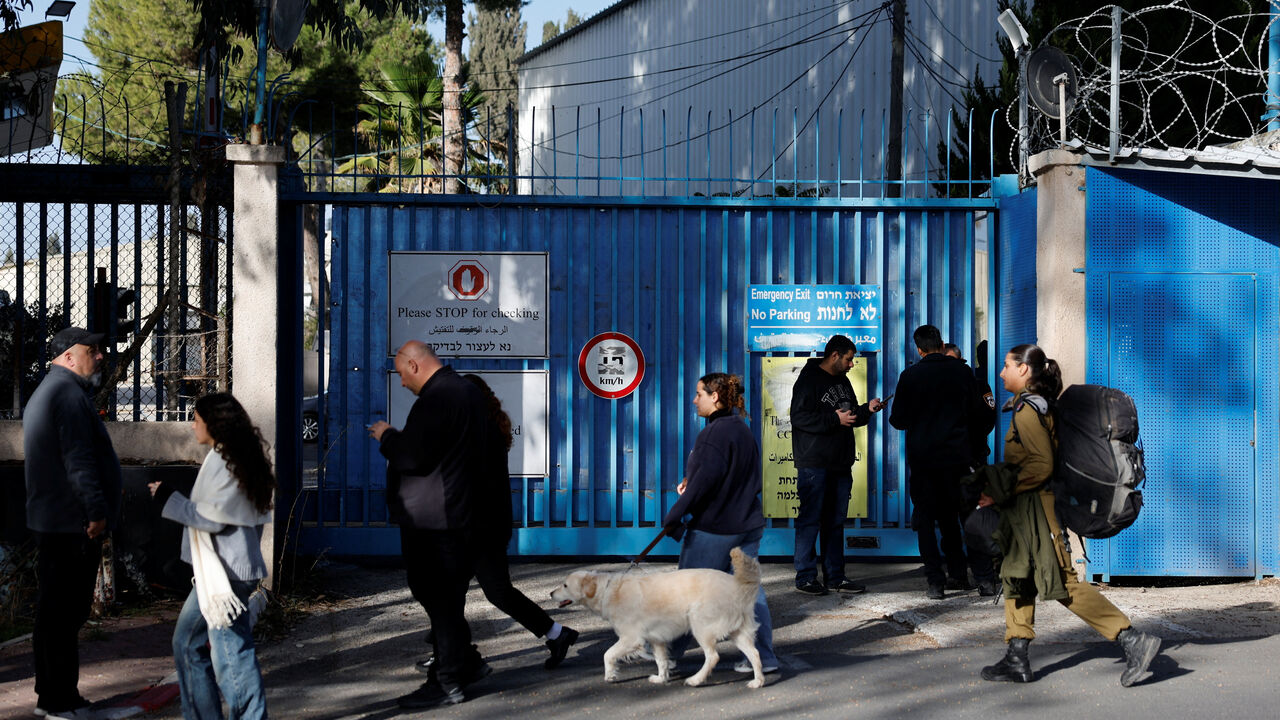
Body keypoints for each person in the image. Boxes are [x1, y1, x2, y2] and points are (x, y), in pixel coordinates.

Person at [980, 343, 1161, 686]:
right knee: (1017, 575)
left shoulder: (1029, 411)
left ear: (1024, 370)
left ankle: (1131, 638)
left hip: (1037, 510)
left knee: (1062, 583)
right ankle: (1016, 656)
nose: (1001, 372)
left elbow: (1041, 464)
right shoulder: (1031, 406)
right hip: (1025, 509)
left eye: (1006, 365)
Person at [412, 374, 577, 672]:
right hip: (477, 527)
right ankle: (447, 652)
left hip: (479, 530)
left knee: (493, 592)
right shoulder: (478, 429)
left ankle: (554, 634)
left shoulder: (477, 434)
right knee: (455, 592)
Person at [369, 341, 489, 709]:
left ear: (415, 365)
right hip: (457, 514)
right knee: (446, 600)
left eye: (402, 374)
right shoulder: (467, 392)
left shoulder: (438, 399)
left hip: (435, 521)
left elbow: (412, 456)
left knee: (440, 601)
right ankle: (464, 663)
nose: (402, 383)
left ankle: (447, 681)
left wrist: (386, 435)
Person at [23, 327, 121, 720]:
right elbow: (79, 462)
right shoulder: (66, 395)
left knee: (54, 613)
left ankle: (52, 694)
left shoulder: (53, 390)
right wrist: (96, 513)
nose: (99, 357)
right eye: (91, 351)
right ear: (67, 356)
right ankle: (59, 700)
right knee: (64, 614)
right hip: (71, 524)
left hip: (56, 520)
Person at [161, 393, 273, 719]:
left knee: (225, 652)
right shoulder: (230, 456)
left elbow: (213, 516)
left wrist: (169, 500)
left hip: (226, 574)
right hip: (227, 570)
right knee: (198, 645)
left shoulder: (227, 462)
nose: (192, 425)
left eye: (196, 419)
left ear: (214, 423)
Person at [662, 373, 781, 675]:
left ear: (714, 397)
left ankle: (668, 656)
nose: (694, 400)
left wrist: (675, 515)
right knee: (749, 592)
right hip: (747, 523)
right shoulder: (741, 430)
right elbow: (734, 477)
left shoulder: (713, 434)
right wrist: (694, 484)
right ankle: (763, 657)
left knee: (687, 592)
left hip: (715, 528)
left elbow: (706, 482)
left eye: (698, 394)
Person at [889, 325, 992, 599]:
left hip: (925, 463)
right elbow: (977, 414)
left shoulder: (910, 376)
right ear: (942, 343)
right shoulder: (962, 372)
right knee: (969, 518)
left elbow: (898, 420)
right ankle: (984, 579)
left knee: (927, 521)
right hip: (960, 459)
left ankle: (936, 582)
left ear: (919, 349)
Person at [789, 335, 884, 595]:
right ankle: (806, 577)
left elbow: (849, 416)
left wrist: (868, 410)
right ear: (834, 356)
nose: (852, 364)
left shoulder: (842, 381)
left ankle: (835, 577)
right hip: (814, 463)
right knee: (810, 520)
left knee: (835, 521)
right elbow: (798, 417)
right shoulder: (809, 379)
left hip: (840, 464)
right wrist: (833, 419)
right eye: (849, 359)